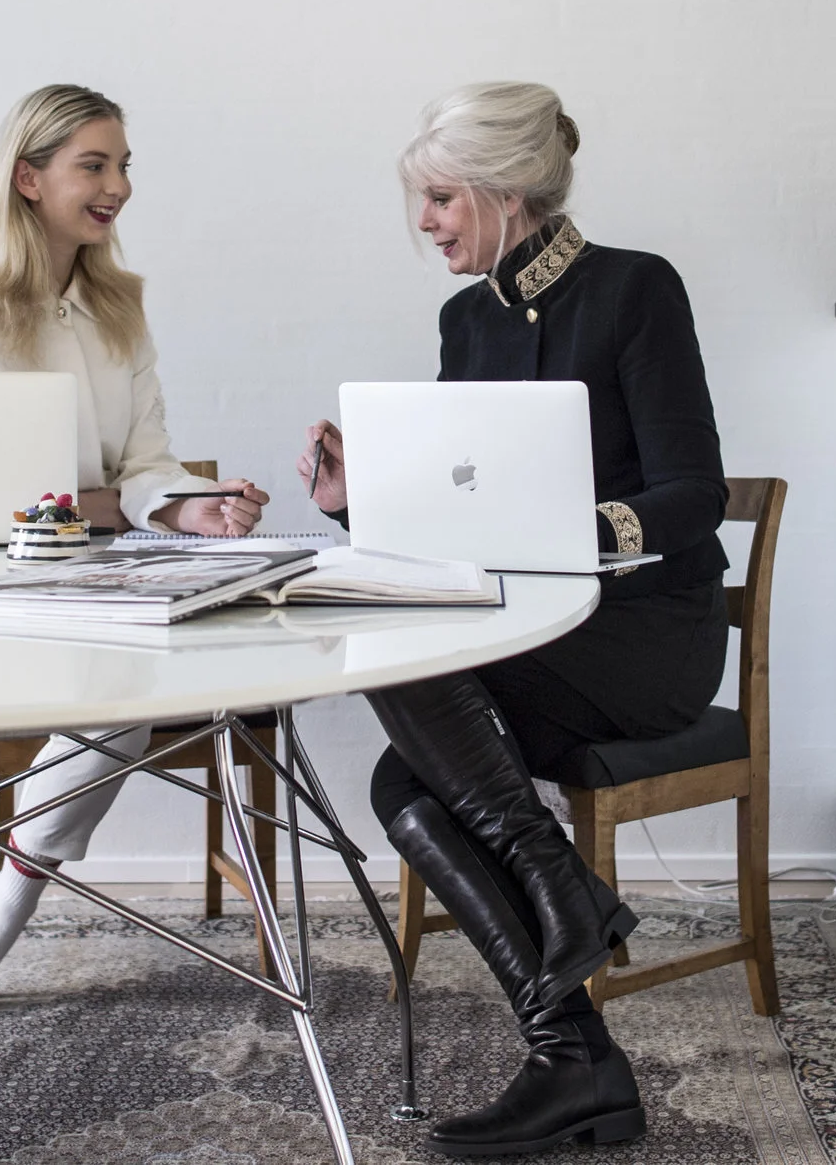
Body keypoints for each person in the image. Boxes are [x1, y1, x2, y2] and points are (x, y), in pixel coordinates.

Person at [298, 81, 728, 1156]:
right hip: (523, 637)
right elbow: (458, 514)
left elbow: (695, 494)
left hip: (645, 632)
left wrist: (566, 530)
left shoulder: (633, 289)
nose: (425, 223)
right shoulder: (467, 320)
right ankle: (574, 1041)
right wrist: (358, 499)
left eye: (442, 198)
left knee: (407, 751)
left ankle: (560, 939)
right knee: (404, 779)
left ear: (506, 192)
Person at [0, 83, 270, 1015]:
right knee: (123, 696)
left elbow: (145, 465)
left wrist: (192, 508)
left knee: (147, 673)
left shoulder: (119, 310)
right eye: (93, 166)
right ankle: (9, 899)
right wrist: (100, 506)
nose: (118, 187)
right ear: (29, 178)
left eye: (124, 166)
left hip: (98, 582)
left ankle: (12, 875)